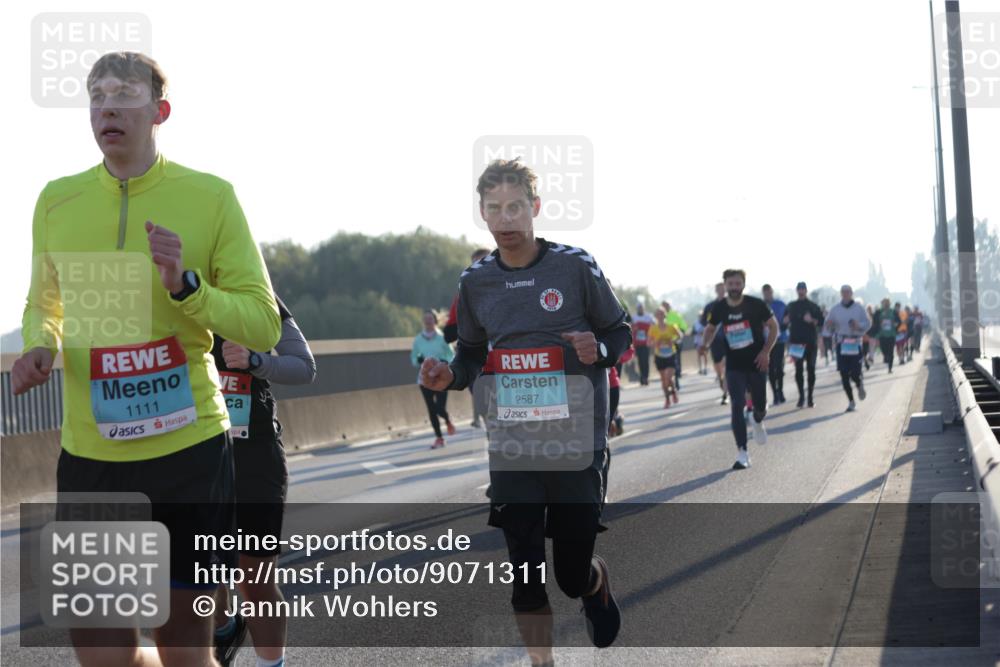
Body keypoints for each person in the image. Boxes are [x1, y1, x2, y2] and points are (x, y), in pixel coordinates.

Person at [11, 52, 282, 667]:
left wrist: (186, 287)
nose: (108, 105)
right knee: (103, 654)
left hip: (188, 453)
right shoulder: (57, 200)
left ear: (158, 112)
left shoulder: (210, 197)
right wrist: (39, 345)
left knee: (182, 650)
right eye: (97, 95)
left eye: (125, 94)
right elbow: (42, 302)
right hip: (92, 457)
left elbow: (262, 322)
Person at [421, 159, 629, 661]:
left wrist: (596, 351)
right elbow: (470, 353)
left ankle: (594, 582)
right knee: (526, 575)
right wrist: (450, 375)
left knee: (570, 574)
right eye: (494, 209)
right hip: (514, 444)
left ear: (534, 208)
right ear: (482, 214)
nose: (506, 218)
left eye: (516, 206)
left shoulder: (575, 265)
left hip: (577, 441)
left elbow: (618, 331)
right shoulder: (475, 282)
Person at [211, 295, 316, 667]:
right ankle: (224, 628)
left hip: (253, 454)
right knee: (201, 575)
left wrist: (257, 362)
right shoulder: (163, 293)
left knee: (254, 577)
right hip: (192, 455)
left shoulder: (256, 291)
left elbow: (304, 367)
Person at [699, 269, 778, 470]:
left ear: (743, 284)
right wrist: (705, 344)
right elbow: (710, 328)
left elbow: (774, 326)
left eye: (737, 284)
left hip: (756, 362)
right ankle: (742, 452)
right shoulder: (719, 308)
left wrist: (766, 352)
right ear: (725, 285)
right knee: (737, 405)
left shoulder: (756, 304)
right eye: (730, 284)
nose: (734, 288)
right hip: (734, 364)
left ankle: (758, 419)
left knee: (760, 405)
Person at [445, 248, 491, 426]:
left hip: (509, 364)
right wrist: (472, 322)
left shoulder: (514, 286)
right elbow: (448, 335)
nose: (481, 268)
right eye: (477, 264)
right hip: (478, 363)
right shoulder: (464, 295)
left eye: (485, 262)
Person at [412, 309, 456, 448]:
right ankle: (439, 438)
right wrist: (418, 360)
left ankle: (447, 420)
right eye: (425, 320)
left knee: (439, 407)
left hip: (441, 377)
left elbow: (452, 355)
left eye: (430, 319)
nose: (428, 322)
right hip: (425, 379)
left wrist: (445, 360)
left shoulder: (442, 337)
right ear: (423, 322)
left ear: (435, 321)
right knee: (431, 409)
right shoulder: (418, 340)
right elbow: (413, 358)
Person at [825, 285, 871, 412]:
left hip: (855, 342)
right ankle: (851, 401)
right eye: (843, 292)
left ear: (852, 293)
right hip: (842, 343)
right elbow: (828, 326)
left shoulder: (859, 308)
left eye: (848, 292)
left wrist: (858, 325)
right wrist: (829, 325)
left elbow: (868, 324)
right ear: (841, 294)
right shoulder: (835, 309)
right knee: (844, 374)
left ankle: (859, 383)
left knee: (855, 372)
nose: (845, 294)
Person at [785, 282, 822, 408]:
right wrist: (785, 321)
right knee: (798, 370)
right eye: (799, 289)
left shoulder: (813, 306)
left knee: (811, 369)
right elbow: (783, 323)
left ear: (806, 291)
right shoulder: (791, 306)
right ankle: (801, 397)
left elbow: (821, 322)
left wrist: (812, 320)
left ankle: (810, 397)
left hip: (811, 342)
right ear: (796, 291)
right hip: (796, 342)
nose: (801, 291)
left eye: (803, 289)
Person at [701, 282, 729, 405]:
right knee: (719, 369)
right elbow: (704, 324)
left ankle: (726, 394)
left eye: (723, 289)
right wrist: (705, 343)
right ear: (716, 291)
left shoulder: (731, 303)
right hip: (715, 341)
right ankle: (722, 383)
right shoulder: (710, 306)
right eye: (719, 289)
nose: (721, 291)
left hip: (730, 340)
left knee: (728, 366)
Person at [649, 308, 682, 408]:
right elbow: (648, 342)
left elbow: (680, 336)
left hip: (671, 354)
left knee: (668, 377)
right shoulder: (653, 328)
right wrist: (656, 343)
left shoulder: (671, 326)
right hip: (659, 356)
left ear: (665, 315)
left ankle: (673, 392)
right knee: (664, 380)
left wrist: (673, 341)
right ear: (656, 316)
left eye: (662, 314)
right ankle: (668, 398)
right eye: (658, 314)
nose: (660, 316)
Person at [761, 284, 788, 405]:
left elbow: (787, 319)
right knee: (771, 368)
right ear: (763, 293)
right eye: (765, 293)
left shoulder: (780, 304)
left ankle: (781, 391)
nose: (768, 294)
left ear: (772, 292)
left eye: (769, 292)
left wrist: (784, 324)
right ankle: (775, 394)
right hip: (767, 341)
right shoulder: (760, 306)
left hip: (780, 339)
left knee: (779, 368)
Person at [662, 301, 688, 390]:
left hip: (675, 342)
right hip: (664, 345)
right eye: (663, 306)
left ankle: (676, 378)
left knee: (675, 361)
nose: (665, 308)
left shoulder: (675, 314)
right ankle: (670, 380)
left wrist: (678, 337)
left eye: (666, 306)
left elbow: (683, 326)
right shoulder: (660, 316)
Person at [873, 298, 901, 373]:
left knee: (891, 351)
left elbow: (899, 321)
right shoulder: (878, 312)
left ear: (889, 304)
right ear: (882, 303)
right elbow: (874, 321)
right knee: (883, 349)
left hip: (891, 334)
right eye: (884, 303)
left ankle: (890, 368)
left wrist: (896, 325)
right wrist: (879, 324)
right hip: (882, 335)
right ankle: (886, 356)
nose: (886, 304)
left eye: (887, 303)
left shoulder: (893, 312)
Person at [631, 302, 654, 386]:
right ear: (637, 309)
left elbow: (653, 326)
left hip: (646, 342)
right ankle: (642, 377)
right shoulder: (634, 317)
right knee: (640, 361)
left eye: (642, 308)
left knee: (646, 360)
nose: (640, 309)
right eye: (639, 308)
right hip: (637, 343)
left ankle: (646, 377)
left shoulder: (648, 317)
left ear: (643, 308)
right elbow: (631, 327)